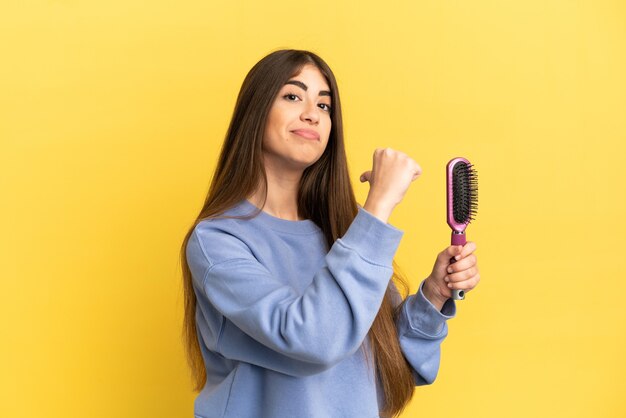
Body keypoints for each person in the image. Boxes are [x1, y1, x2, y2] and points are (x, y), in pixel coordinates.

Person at [180, 49, 480, 418]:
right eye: (293, 96)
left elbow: (385, 364)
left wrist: (432, 296)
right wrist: (379, 205)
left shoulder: (344, 228)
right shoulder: (217, 241)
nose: (312, 114)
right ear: (255, 112)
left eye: (324, 106)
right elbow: (315, 339)